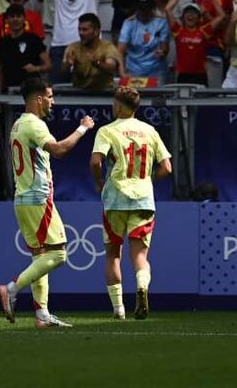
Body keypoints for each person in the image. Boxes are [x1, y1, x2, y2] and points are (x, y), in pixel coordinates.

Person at [0, 77, 95, 328]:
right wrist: (83, 128)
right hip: (37, 198)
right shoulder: (34, 124)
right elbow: (59, 150)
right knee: (59, 253)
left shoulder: (18, 124)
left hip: (23, 197)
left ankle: (42, 315)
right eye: (50, 96)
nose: (54, 101)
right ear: (39, 99)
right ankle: (11, 289)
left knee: (39, 256)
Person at [90, 85, 172, 320]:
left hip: (115, 199)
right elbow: (167, 167)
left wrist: (99, 184)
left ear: (118, 105)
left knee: (113, 254)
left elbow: (96, 161)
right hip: (144, 199)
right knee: (140, 258)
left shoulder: (107, 131)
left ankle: (119, 309)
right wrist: (149, 179)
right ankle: (142, 287)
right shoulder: (150, 131)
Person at [0, 4, 50, 92]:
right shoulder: (2, 43)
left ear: (24, 19)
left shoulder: (34, 39)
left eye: (19, 16)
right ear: (7, 20)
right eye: (12, 16)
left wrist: (35, 68)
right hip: (8, 91)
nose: (15, 19)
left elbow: (48, 65)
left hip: (31, 90)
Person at [117, 0, 171, 84]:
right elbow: (120, 50)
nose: (143, 12)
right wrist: (122, 72)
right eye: (140, 9)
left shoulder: (161, 22)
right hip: (134, 70)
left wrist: (162, 52)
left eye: (146, 9)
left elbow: (165, 47)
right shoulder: (129, 23)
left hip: (156, 70)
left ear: (152, 8)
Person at [62, 13, 124, 91]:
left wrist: (97, 63)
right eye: (79, 29)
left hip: (104, 92)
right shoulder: (73, 48)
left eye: (85, 30)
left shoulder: (107, 47)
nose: (81, 33)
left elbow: (111, 67)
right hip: (79, 92)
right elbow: (63, 72)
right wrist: (68, 64)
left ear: (96, 31)